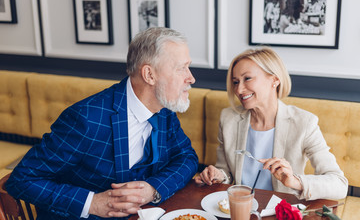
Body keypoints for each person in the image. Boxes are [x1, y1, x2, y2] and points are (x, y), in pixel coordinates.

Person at [6, 27, 199, 219]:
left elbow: (187, 158)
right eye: (181, 68)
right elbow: (22, 179)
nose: (191, 77)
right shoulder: (86, 119)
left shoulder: (164, 110)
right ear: (149, 75)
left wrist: (153, 189)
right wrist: (91, 203)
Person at [195, 47, 348, 200]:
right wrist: (217, 175)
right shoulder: (228, 119)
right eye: (235, 82)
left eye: (247, 78)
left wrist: (295, 181)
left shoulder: (304, 123)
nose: (239, 90)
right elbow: (226, 172)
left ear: (274, 80)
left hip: (280, 210)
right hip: (240, 205)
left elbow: (339, 184)